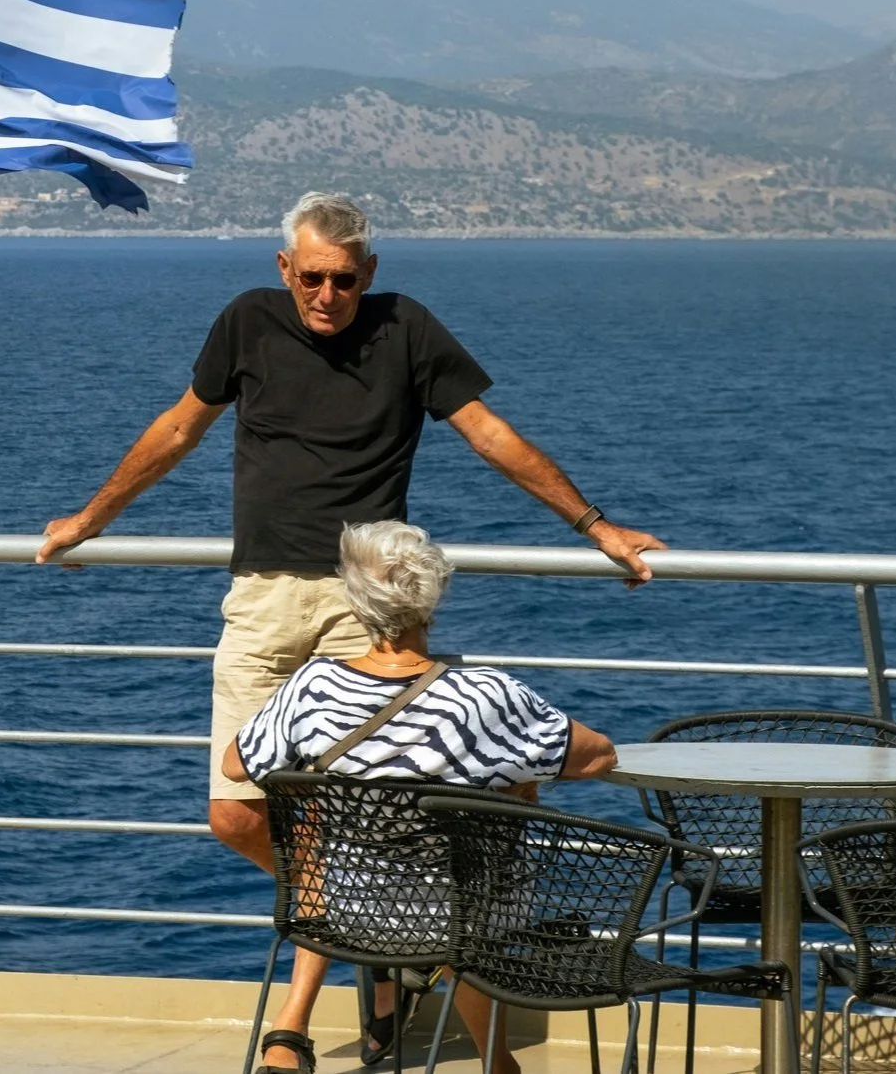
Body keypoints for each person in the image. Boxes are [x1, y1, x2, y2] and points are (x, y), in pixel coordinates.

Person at [36, 191, 662, 1036]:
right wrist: (88, 520)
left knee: (360, 815)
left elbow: (487, 433)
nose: (326, 295)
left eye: (343, 279)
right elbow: (178, 429)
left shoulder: (405, 328)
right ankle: (385, 939)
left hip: (361, 606)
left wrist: (595, 526)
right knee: (234, 812)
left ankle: (365, 960)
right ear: (283, 268)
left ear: (368, 272)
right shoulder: (247, 322)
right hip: (260, 599)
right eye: (310, 278)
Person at [225, 520, 618, 1073]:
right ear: (434, 599)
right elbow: (599, 756)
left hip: (346, 911)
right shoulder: (484, 694)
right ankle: (497, 1061)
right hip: (464, 916)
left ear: (355, 601)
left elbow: (236, 764)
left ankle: (292, 1040)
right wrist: (512, 776)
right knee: (478, 849)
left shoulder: (312, 687)